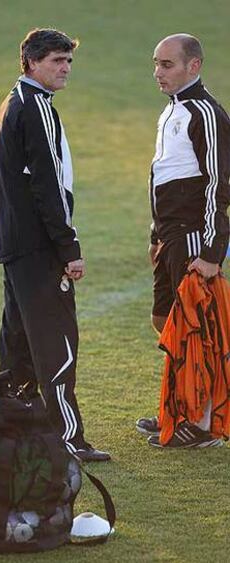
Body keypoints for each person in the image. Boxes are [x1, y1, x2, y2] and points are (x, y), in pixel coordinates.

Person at [0, 28, 110, 461]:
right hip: (39, 251)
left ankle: (14, 431)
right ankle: (66, 440)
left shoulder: (11, 104)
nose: (66, 69)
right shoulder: (36, 108)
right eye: (58, 61)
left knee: (19, 346)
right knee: (56, 344)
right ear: (32, 63)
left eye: (69, 61)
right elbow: (49, 187)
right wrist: (69, 247)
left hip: (16, 248)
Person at [136, 33, 230, 447]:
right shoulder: (172, 110)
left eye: (167, 64)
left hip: (194, 237)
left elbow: (217, 186)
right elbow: (166, 175)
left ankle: (200, 422)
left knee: (195, 328)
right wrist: (157, 234)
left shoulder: (205, 113)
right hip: (172, 237)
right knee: (166, 321)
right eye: (156, 63)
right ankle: (178, 407)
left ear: (194, 66)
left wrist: (211, 252)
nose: (158, 72)